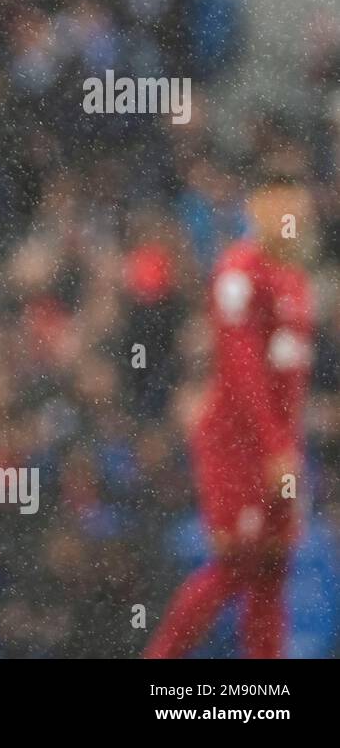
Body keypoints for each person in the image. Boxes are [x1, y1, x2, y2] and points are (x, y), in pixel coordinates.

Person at [145, 166, 314, 658]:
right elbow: (245, 375)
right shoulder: (238, 274)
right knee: (237, 563)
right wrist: (275, 447)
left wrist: (291, 445)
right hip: (238, 443)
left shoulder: (295, 282)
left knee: (273, 569)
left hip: (282, 446)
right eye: (282, 209)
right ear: (257, 211)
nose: (293, 219)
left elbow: (292, 383)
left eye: (299, 210)